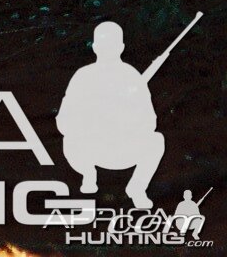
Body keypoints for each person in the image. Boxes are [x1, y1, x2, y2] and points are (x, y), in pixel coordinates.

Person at [59, 20, 167, 210]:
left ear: (121, 47)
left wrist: (126, 120)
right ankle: (88, 174)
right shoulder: (83, 76)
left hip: (123, 148)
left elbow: (150, 122)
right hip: (90, 149)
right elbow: (64, 120)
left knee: (156, 140)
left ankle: (137, 188)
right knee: (69, 140)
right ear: (95, 47)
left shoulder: (132, 76)